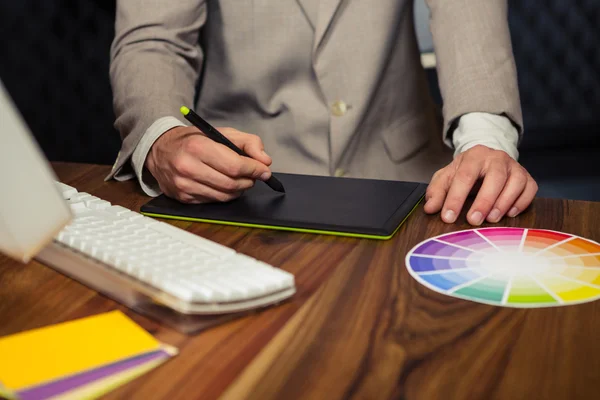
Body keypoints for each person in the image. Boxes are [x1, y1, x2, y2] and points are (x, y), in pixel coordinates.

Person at [107, 0, 538, 226]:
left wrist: (485, 138)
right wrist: (164, 136)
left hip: (408, 188)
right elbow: (153, 40)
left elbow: (467, 12)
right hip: (241, 192)